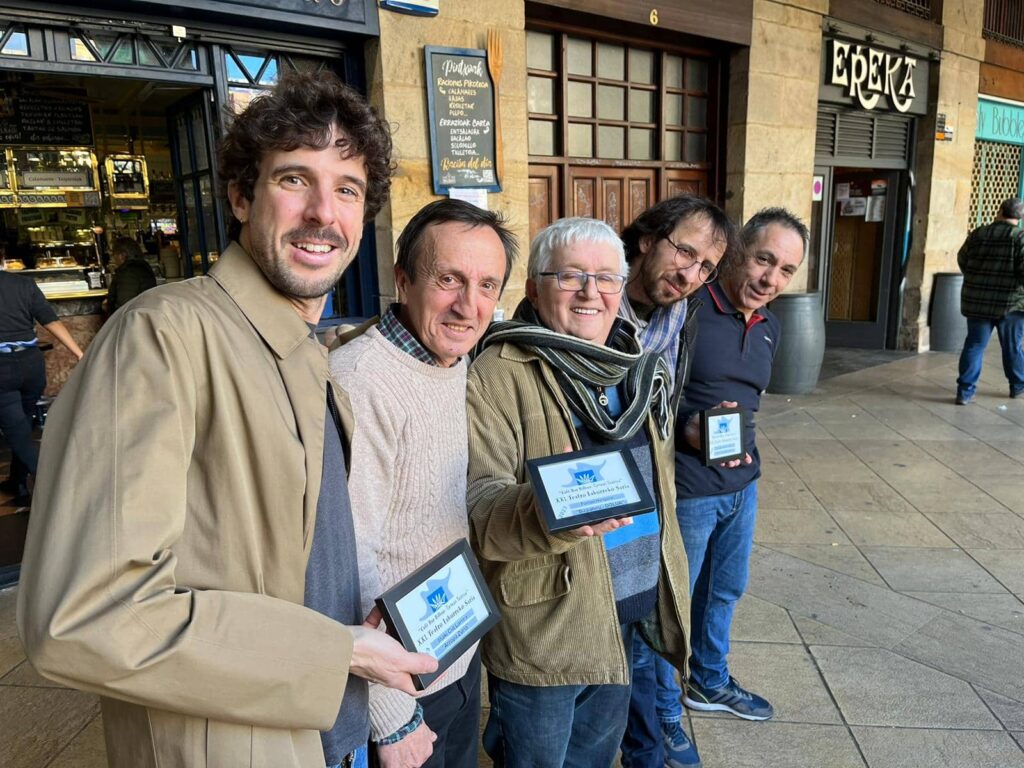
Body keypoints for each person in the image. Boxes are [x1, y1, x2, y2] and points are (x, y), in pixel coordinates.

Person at [17, 71, 436, 768]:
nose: (322, 214)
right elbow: (85, 617)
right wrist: (338, 650)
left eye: (348, 189)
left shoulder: (310, 350)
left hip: (334, 727)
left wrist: (358, 652)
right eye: (295, 180)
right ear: (242, 196)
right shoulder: (163, 335)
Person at [467, 217, 692, 768]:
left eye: (606, 277)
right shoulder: (499, 373)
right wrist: (549, 511)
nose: (592, 292)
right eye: (570, 276)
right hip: (553, 622)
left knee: (593, 760)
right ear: (533, 288)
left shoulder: (637, 367)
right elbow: (477, 505)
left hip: (628, 609)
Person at [329, 198, 518, 768]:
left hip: (453, 656)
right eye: (449, 280)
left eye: (488, 285)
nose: (470, 305)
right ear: (403, 279)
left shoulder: (454, 360)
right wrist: (391, 718)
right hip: (393, 691)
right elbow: (344, 567)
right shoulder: (361, 382)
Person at [670, 207, 807, 728]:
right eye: (763, 260)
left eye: (785, 271)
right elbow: (649, 396)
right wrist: (687, 429)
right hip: (689, 487)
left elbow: (747, 402)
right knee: (675, 599)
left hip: (742, 484)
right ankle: (661, 711)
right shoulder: (687, 310)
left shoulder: (770, 324)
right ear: (737, 253)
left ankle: (708, 680)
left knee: (724, 589)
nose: (770, 279)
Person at [617, 195, 736, 768]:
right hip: (585, 496)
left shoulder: (678, 316)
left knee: (643, 630)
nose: (690, 274)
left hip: (648, 489)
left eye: (705, 267)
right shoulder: (585, 299)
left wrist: (691, 430)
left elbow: (663, 399)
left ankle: (646, 746)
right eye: (683, 250)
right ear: (647, 239)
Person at [0, 270, 83, 505]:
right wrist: (78, 353)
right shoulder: (23, 284)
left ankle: (60, 493)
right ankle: (16, 482)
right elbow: (50, 320)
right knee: (22, 425)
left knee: (19, 434)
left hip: (2, 370)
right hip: (31, 365)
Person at [954, 197, 1024, 404]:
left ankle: (965, 391)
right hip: (1010, 304)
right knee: (1012, 346)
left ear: (1000, 211)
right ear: (1019, 217)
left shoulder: (979, 234)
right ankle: (1018, 385)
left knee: (974, 345)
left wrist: (976, 279)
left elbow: (962, 259)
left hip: (977, 302)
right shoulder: (1020, 238)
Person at [104, 236, 157, 313]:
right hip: (144, 315)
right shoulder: (143, 267)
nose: (113, 259)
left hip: (133, 319)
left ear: (122, 256)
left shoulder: (128, 273)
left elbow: (124, 304)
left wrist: (108, 307)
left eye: (113, 255)